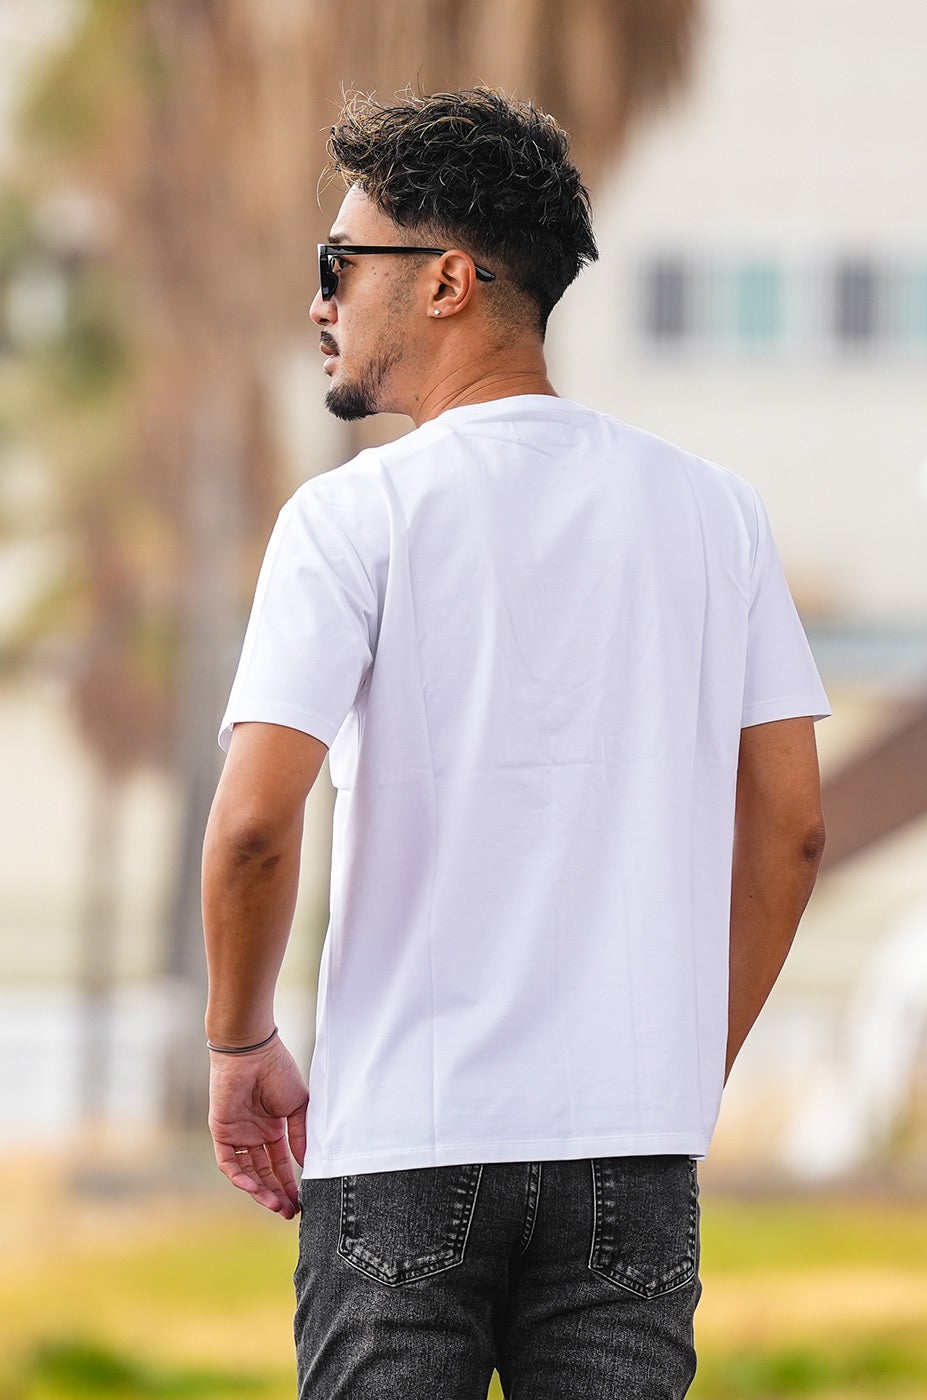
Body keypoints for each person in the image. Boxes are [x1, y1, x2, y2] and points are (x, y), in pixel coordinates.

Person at [202, 88, 829, 1400]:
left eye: (339, 264)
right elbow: (792, 831)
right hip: (631, 1153)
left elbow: (256, 824)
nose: (318, 301)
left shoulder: (351, 521)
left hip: (405, 1138)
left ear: (447, 282)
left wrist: (240, 1043)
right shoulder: (716, 514)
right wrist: (678, 1065)